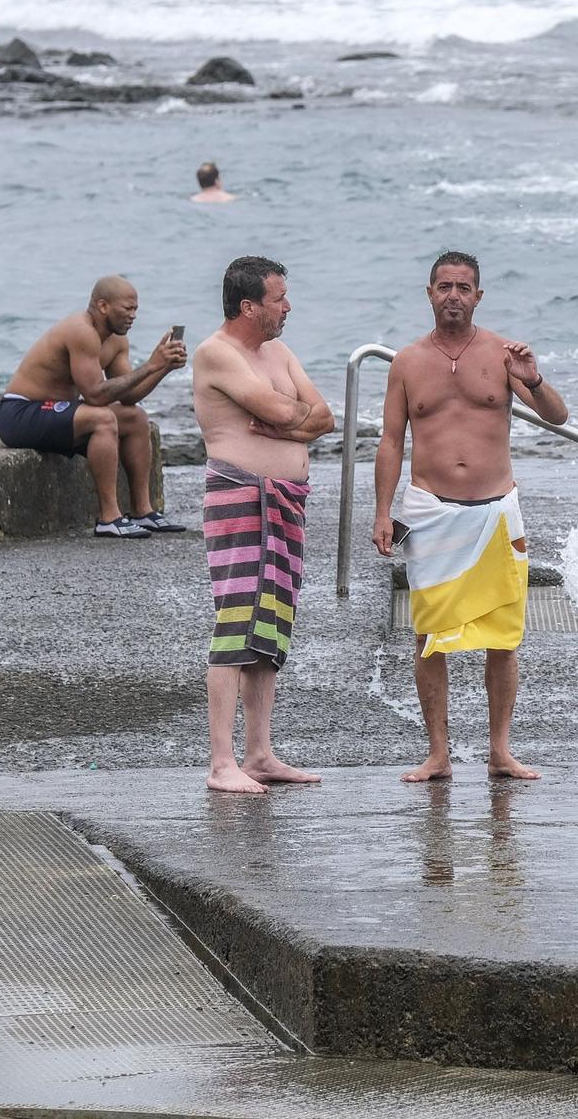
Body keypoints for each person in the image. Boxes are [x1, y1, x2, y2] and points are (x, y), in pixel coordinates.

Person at [372, 250, 570, 783]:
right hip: (431, 512)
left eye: (464, 287)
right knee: (429, 635)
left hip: (496, 514)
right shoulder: (408, 362)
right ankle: (438, 753)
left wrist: (533, 378)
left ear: (478, 296)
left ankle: (499, 750)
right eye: (444, 287)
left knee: (504, 637)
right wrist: (382, 512)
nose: (453, 296)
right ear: (429, 293)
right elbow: (391, 441)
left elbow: (557, 417)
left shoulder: (504, 354)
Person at [191, 255, 335, 794]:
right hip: (238, 496)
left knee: (270, 624)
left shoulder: (278, 351)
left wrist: (288, 431)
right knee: (235, 622)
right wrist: (294, 423)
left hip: (286, 499)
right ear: (249, 305)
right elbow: (283, 412)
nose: (288, 307)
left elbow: (323, 416)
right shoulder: (216, 354)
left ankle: (259, 753)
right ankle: (221, 763)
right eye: (279, 299)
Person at [0, 275, 189, 538]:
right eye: (127, 309)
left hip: (60, 410)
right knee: (102, 418)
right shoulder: (81, 331)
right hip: (20, 413)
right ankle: (109, 518)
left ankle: (143, 511)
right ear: (103, 306)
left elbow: (129, 396)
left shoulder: (116, 340)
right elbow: (95, 396)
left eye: (136, 309)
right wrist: (151, 365)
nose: (133, 316)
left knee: (135, 418)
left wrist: (162, 368)